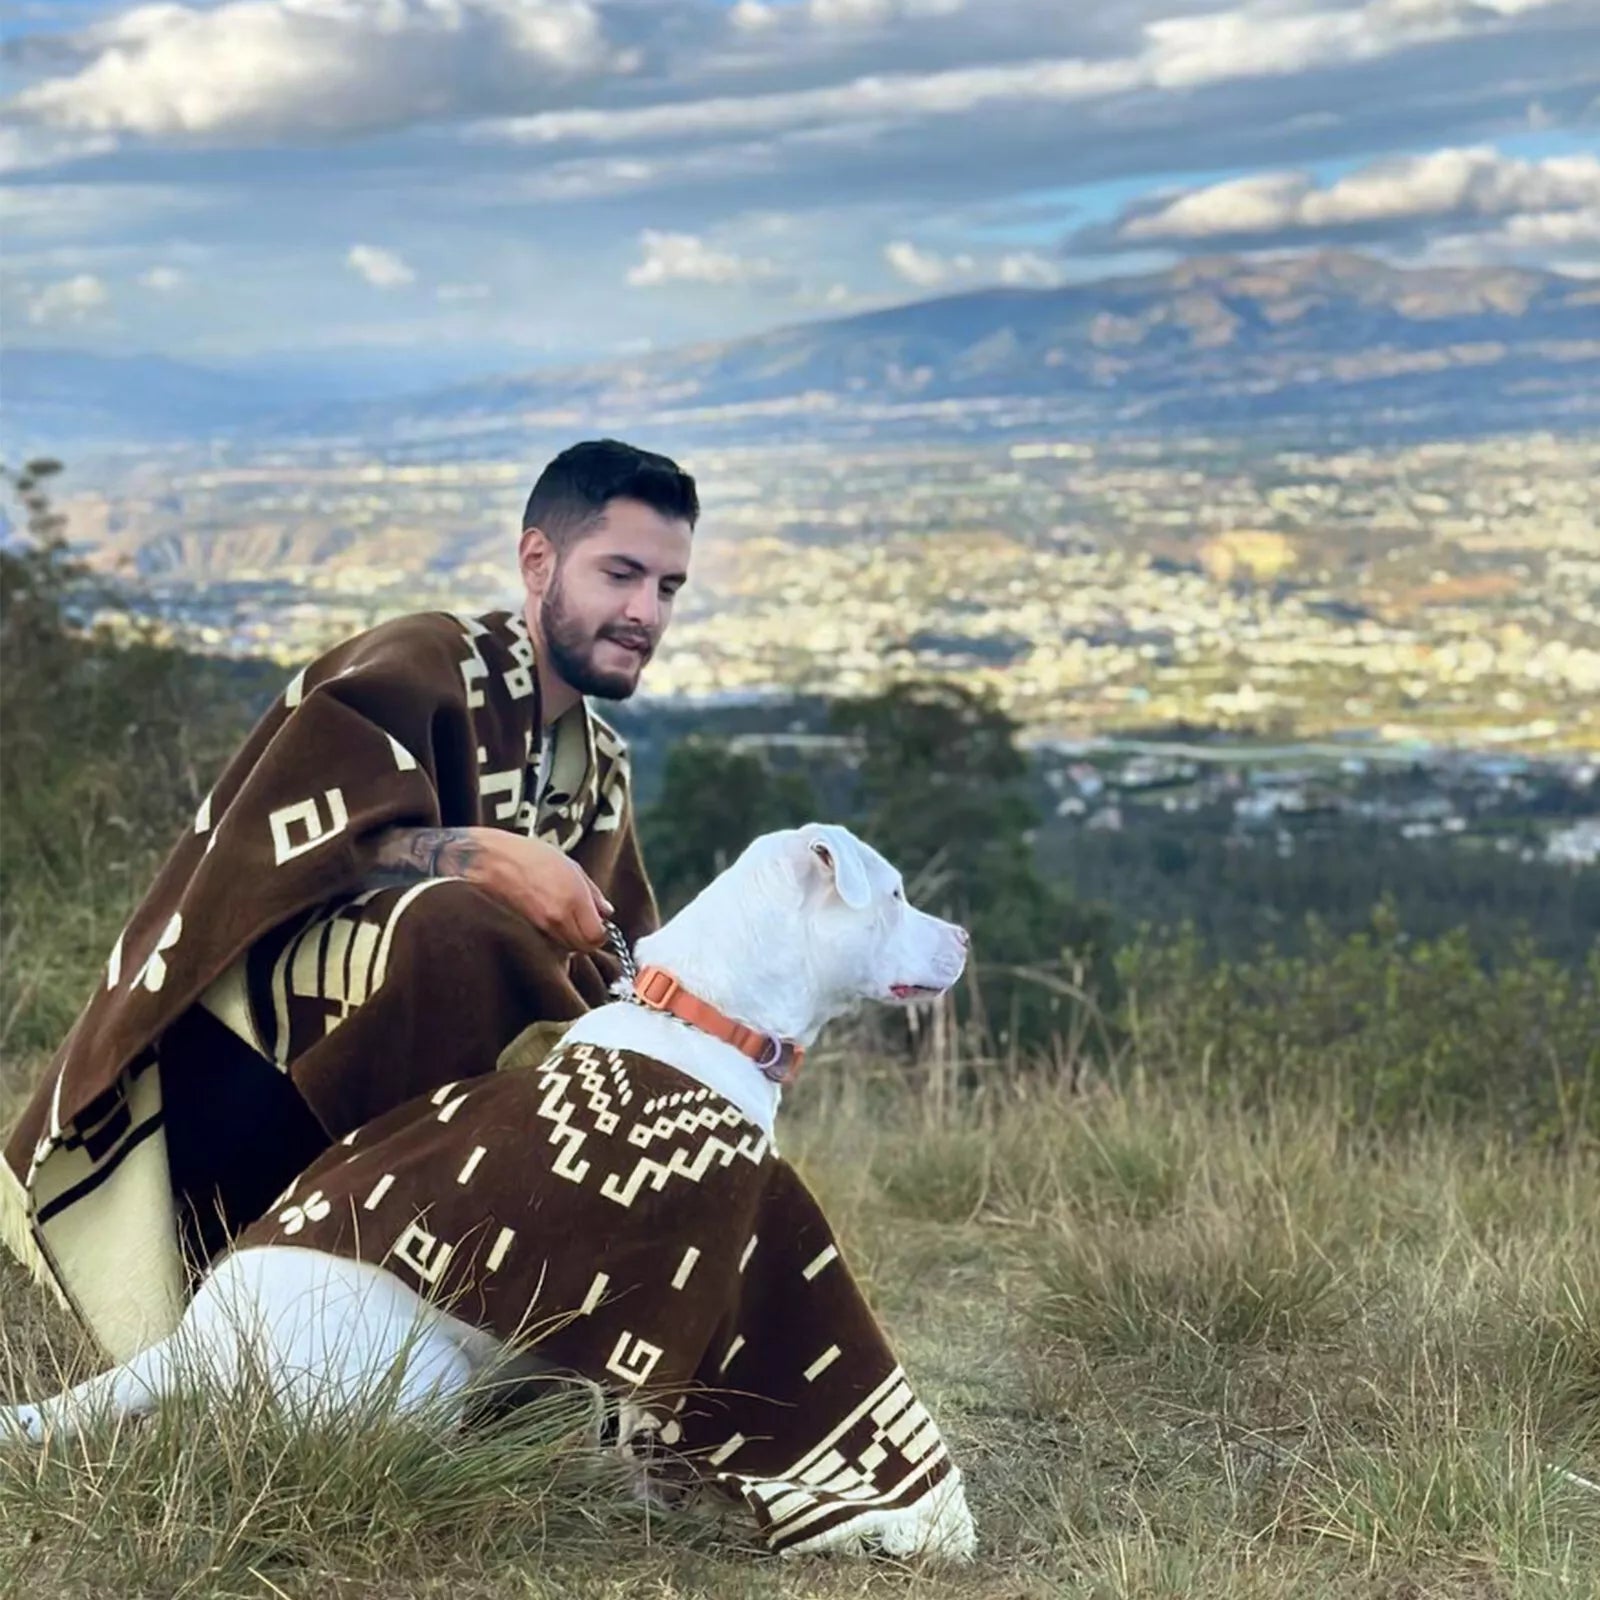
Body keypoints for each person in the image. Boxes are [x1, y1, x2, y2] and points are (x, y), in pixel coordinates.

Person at [0, 438, 697, 1362]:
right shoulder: (423, 660)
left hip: (401, 1099)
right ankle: (322, 1274)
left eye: (669, 588)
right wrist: (482, 857)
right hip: (229, 1087)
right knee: (459, 931)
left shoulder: (598, 769)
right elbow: (274, 843)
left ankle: (458, 1320)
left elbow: (616, 963)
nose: (644, 611)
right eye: (622, 573)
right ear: (538, 560)